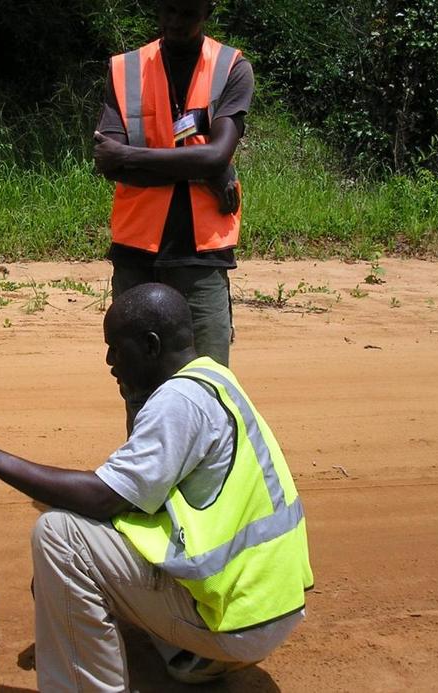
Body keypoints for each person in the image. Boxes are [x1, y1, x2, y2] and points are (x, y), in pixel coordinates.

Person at [0, 283, 312, 691]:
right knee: (79, 549)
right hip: (265, 607)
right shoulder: (213, 378)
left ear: (151, 346)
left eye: (116, 349)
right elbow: (131, 499)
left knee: (59, 537)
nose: (109, 362)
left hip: (235, 619)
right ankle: (194, 659)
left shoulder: (178, 403)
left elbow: (103, 497)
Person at [93, 0, 254, 432]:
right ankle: (144, 488)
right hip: (136, 254)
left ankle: (208, 490)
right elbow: (108, 162)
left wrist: (136, 155)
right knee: (137, 384)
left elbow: (218, 152)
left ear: (209, 10)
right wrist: (202, 168)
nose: (173, 22)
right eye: (166, 10)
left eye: (187, 12)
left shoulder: (231, 68)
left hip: (200, 257)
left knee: (209, 384)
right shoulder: (126, 69)